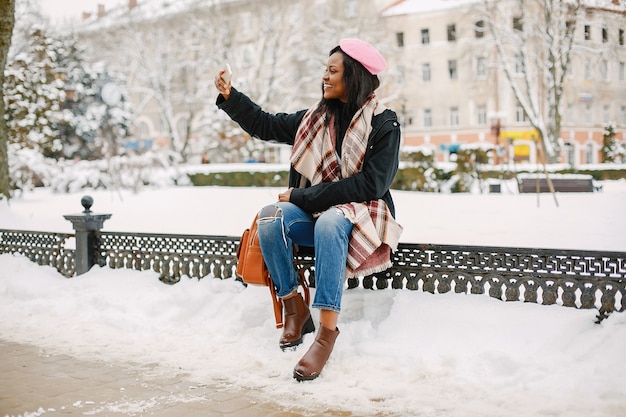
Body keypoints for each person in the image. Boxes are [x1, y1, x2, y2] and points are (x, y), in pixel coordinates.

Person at [214, 38, 403, 381]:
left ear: (355, 76)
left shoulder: (384, 124)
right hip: (315, 219)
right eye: (325, 70)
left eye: (333, 71)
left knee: (331, 220)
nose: (325, 77)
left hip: (360, 218)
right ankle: (294, 307)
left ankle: (327, 332)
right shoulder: (315, 119)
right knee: (271, 215)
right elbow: (266, 124)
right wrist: (231, 96)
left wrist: (303, 197)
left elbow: (371, 185)